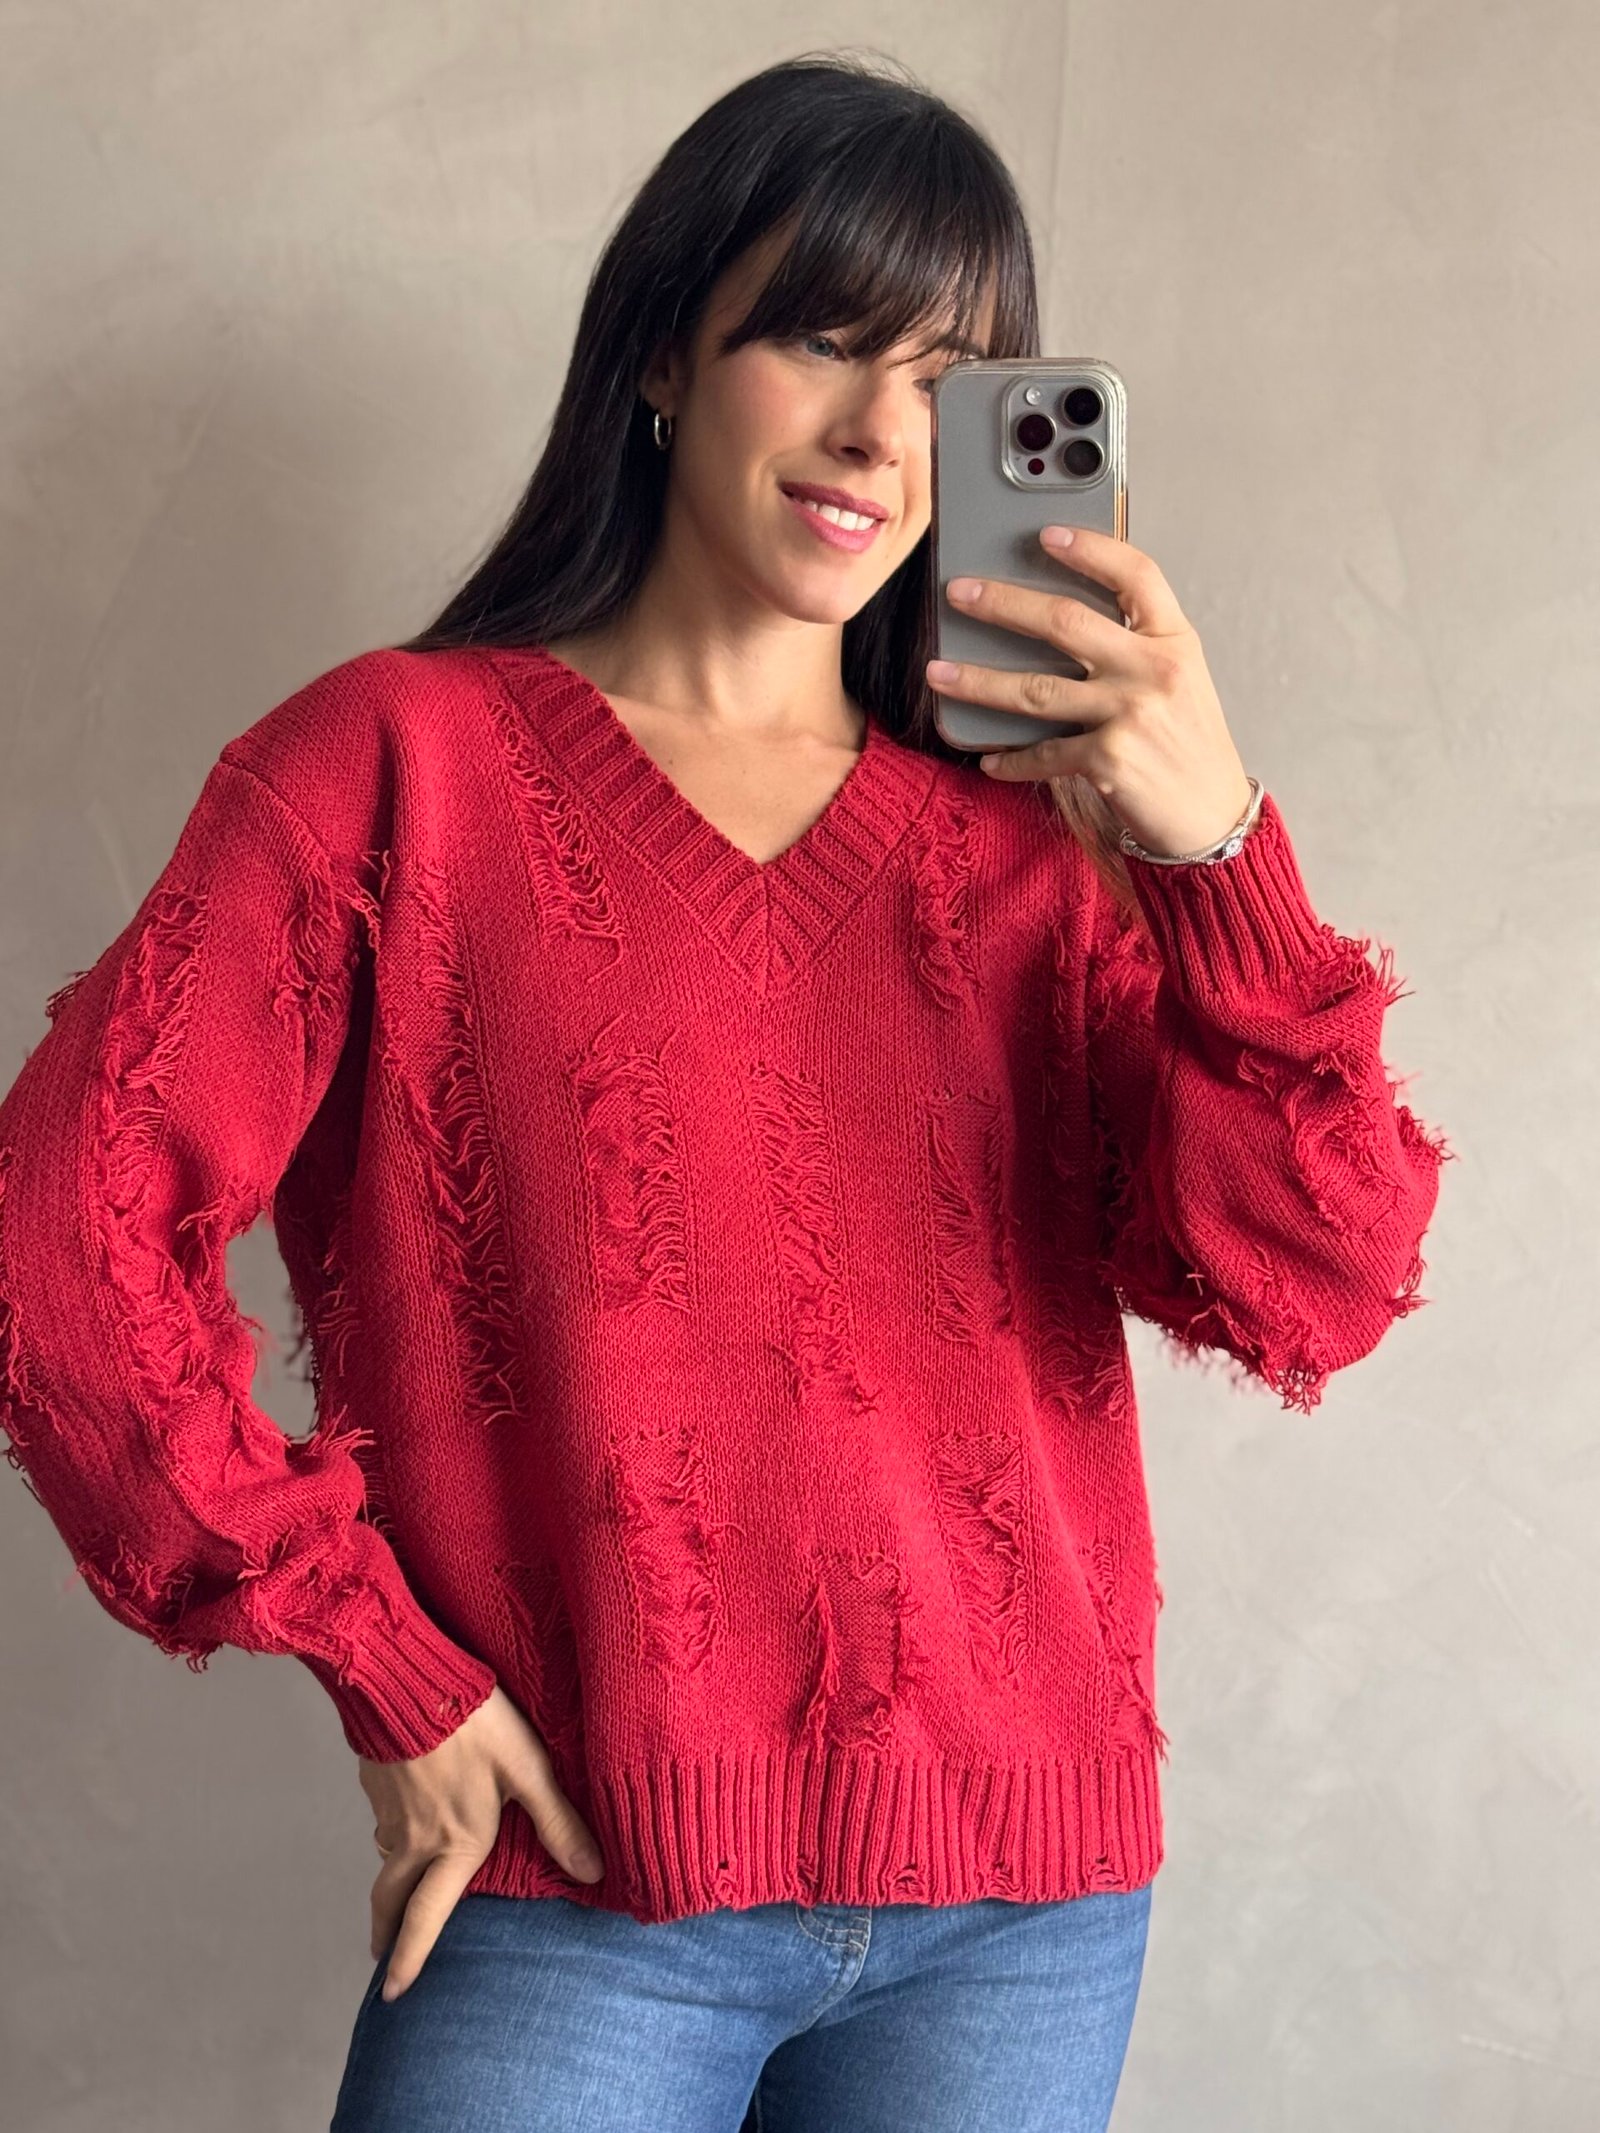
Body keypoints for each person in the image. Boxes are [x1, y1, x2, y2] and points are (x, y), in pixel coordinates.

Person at [0, 50, 1450, 2133]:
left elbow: (1320, 1277)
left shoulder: (1039, 855)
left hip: (1020, 1917)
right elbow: (59, 1236)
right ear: (668, 347)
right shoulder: (393, 770)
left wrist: (1212, 845)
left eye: (946, 379)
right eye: (824, 338)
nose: (879, 434)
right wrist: (383, 1663)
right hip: (577, 1899)